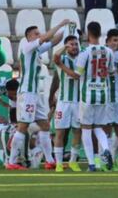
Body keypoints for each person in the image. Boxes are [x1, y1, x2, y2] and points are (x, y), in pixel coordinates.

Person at [7, 19, 70, 170]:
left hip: (35, 93)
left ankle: (49, 161)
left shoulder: (36, 50)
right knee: (23, 126)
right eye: (36, 33)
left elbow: (54, 41)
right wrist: (60, 24)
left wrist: (67, 31)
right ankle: (12, 161)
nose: (39, 35)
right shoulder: (27, 47)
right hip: (27, 93)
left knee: (45, 125)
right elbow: (46, 38)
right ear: (29, 36)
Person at [75, 22, 114, 172]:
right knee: (98, 127)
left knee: (86, 128)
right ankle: (105, 149)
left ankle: (92, 163)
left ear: (88, 33)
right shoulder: (108, 51)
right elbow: (111, 71)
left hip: (88, 94)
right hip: (103, 93)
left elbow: (77, 74)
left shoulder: (84, 52)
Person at [49, 35, 81, 172]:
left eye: (76, 44)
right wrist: (64, 47)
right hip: (63, 102)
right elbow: (55, 57)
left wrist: (62, 67)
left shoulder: (82, 59)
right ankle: (59, 163)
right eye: (71, 44)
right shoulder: (62, 58)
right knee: (60, 132)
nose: (74, 47)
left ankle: (73, 161)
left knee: (77, 131)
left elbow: (76, 75)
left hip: (78, 101)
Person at [103, 29, 118, 170]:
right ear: (107, 42)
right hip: (105, 97)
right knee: (106, 128)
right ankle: (106, 158)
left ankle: (114, 156)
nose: (116, 43)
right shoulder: (104, 54)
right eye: (114, 40)